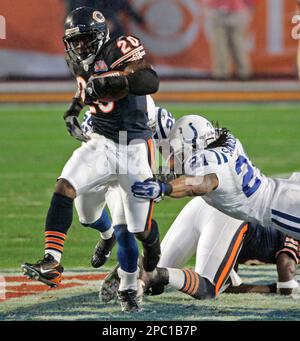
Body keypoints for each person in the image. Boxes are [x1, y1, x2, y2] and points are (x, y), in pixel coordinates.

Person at [21, 6, 159, 313]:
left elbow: (149, 80)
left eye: (86, 39)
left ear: (101, 35)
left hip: (134, 148)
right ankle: (52, 261)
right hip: (100, 142)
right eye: (76, 40)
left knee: (139, 229)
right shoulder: (77, 58)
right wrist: (72, 110)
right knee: (65, 188)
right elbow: (85, 87)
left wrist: (113, 82)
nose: (81, 46)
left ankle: (149, 259)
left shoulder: (119, 48)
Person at [132, 115, 300, 242]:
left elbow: (201, 184)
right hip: (284, 189)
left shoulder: (207, 162)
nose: (179, 156)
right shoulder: (224, 140)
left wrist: (165, 188)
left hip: (280, 207)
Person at [100, 196, 299, 302]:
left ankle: (128, 267)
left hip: (203, 204)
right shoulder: (293, 230)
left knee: (154, 279)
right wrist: (282, 287)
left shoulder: (282, 217)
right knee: (206, 288)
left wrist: (269, 288)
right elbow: (287, 274)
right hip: (230, 218)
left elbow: (229, 286)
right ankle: (157, 274)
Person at [76, 99, 175, 269]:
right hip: (101, 173)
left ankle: (130, 282)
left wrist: (162, 182)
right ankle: (108, 236)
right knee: (86, 218)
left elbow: (173, 161)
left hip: (130, 177)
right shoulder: (95, 118)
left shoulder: (160, 119)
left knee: (125, 228)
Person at [203, 0, 254, 80]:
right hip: (218, 10)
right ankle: (222, 72)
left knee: (237, 43)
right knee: (220, 44)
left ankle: (242, 72)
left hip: (236, 11)